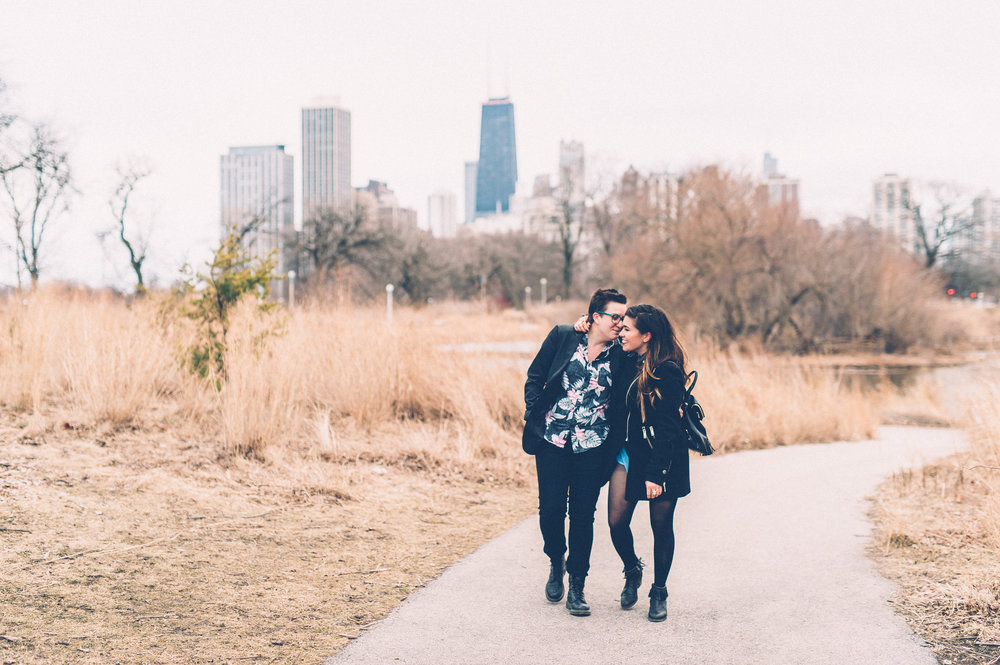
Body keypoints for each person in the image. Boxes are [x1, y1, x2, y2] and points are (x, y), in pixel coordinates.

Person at [522, 288, 632, 617]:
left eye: (624, 319)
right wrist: (533, 411)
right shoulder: (563, 336)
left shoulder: (622, 354)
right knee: (551, 512)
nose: (620, 324)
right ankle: (556, 560)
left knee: (583, 517)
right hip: (552, 442)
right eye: (615, 317)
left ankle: (578, 586)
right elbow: (535, 376)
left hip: (593, 447)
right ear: (595, 317)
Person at [609, 303, 690, 622]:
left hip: (662, 457)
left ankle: (659, 592)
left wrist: (657, 474)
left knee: (661, 527)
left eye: (627, 328)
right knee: (616, 522)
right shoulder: (625, 358)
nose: (621, 332)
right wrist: (581, 325)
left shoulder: (667, 369)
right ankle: (632, 569)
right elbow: (597, 341)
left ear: (647, 335)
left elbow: (669, 427)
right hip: (629, 454)